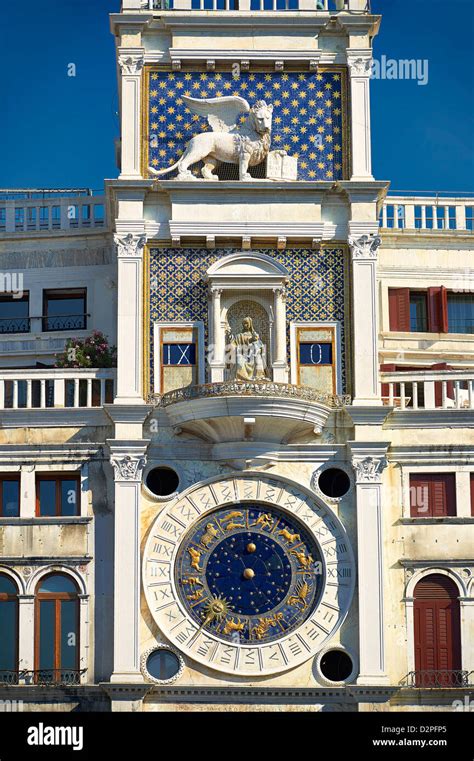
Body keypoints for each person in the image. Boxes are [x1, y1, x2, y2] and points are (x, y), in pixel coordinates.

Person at [227, 316, 268, 381]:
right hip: (242, 354)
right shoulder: (239, 336)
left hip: (253, 354)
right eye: (244, 323)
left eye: (247, 323)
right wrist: (230, 338)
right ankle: (242, 378)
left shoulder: (255, 334)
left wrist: (256, 344)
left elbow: (260, 345)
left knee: (258, 358)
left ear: (250, 324)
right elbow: (233, 344)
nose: (245, 325)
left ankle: (259, 377)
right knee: (239, 359)